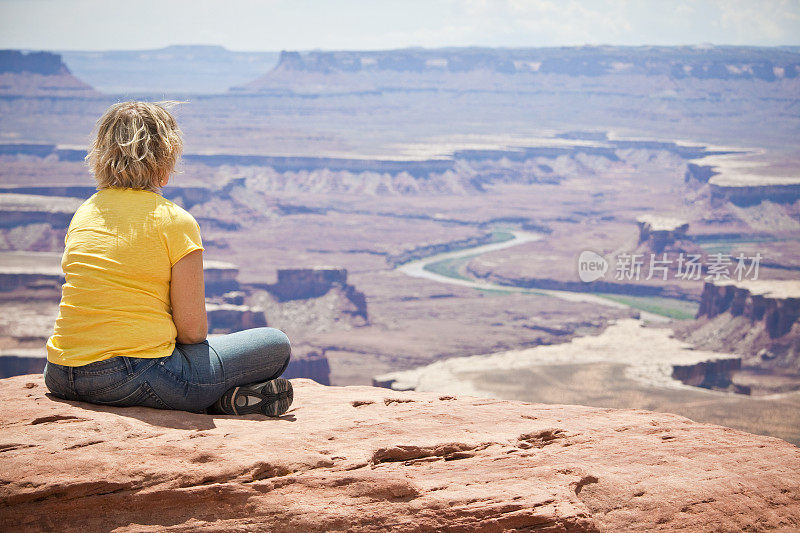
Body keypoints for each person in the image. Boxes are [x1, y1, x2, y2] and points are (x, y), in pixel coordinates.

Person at [43, 101, 293, 417]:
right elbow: (192, 333)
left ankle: (212, 399)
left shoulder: (85, 213)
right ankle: (210, 399)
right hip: (133, 377)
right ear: (165, 158)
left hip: (61, 374)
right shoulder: (175, 221)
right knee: (275, 344)